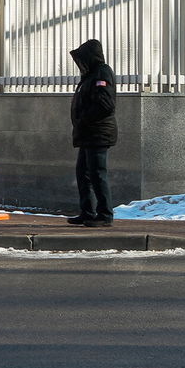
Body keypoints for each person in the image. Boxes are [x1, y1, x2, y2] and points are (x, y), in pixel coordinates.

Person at [68, 39, 117, 228]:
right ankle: (87, 212)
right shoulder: (90, 75)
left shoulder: (102, 72)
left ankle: (105, 214)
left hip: (98, 133)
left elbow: (105, 105)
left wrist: (84, 119)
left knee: (97, 174)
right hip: (89, 134)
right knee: (83, 174)